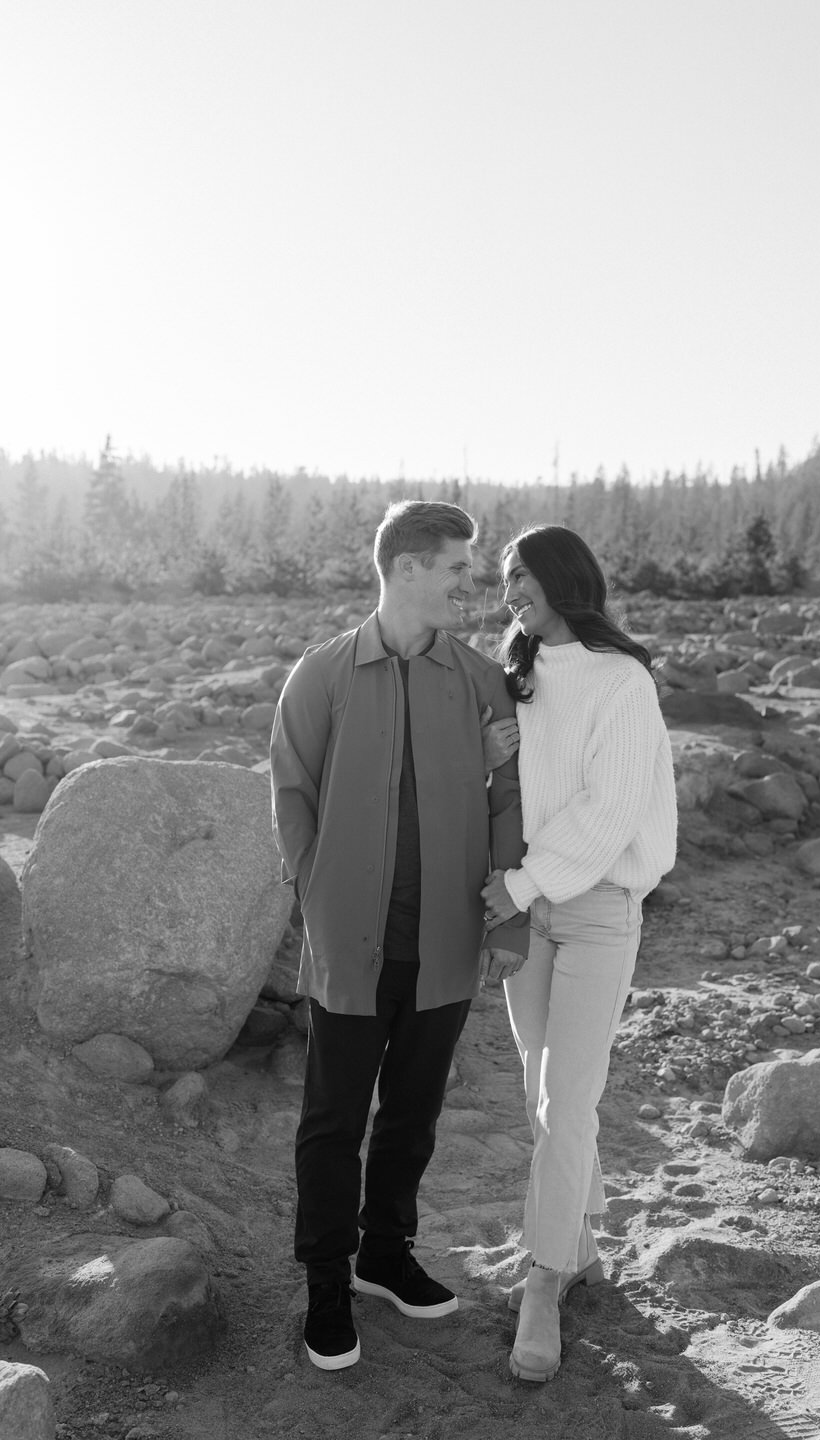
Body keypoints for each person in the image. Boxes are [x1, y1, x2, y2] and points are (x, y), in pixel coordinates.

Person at [270, 499, 528, 1372]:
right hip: (351, 940)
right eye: (459, 565)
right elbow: (291, 791)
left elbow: (508, 798)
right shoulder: (323, 673)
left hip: (448, 938)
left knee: (414, 1112)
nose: (471, 582)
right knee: (333, 1118)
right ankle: (326, 1285)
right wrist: (316, 892)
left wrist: (510, 917)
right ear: (409, 567)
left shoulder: (478, 678)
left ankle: (385, 1255)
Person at [480, 524, 677, 1383]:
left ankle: (543, 1279)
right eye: (502, 578)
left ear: (563, 577)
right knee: (536, 1087)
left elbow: (607, 811)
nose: (509, 589)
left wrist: (520, 886)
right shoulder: (515, 674)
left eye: (520, 573)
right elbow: (504, 786)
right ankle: (579, 1240)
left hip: (595, 909)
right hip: (529, 912)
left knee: (569, 1097)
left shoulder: (622, 681)